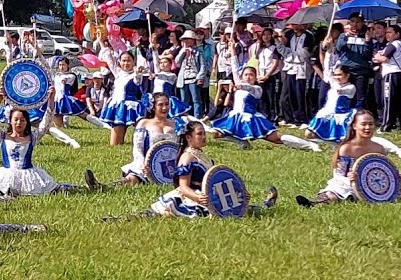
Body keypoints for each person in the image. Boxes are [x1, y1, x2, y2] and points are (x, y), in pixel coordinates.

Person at [112, 121, 276, 219]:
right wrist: (199, 198)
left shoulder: (202, 155)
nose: (204, 137)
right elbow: (183, 187)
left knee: (240, 209)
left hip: (210, 194)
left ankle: (266, 204)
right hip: (193, 198)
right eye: (199, 134)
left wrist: (239, 192)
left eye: (204, 133)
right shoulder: (187, 158)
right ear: (189, 138)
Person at [296, 111, 401, 207]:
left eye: (370, 124)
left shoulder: (378, 148)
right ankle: (312, 203)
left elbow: (381, 171)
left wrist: (395, 177)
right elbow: (339, 175)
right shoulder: (346, 148)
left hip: (373, 188)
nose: (367, 128)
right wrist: (350, 178)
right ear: (354, 126)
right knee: (332, 196)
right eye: (363, 124)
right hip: (346, 186)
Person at [0, 91, 96, 197]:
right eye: (16, 120)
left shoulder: (32, 137)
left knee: (56, 190)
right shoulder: (2, 136)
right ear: (10, 121)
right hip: (6, 175)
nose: (19, 123)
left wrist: (51, 99)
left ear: (27, 122)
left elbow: (46, 122)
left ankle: (87, 187)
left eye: (22, 120)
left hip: (28, 176)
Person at [305, 65, 401, 157]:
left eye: (340, 75)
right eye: (335, 75)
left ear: (347, 75)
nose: (337, 77)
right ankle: (334, 145)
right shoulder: (334, 84)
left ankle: (396, 149)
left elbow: (340, 90)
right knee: (309, 134)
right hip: (327, 115)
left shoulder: (350, 87)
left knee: (365, 138)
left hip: (342, 118)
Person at [212, 66, 320, 151]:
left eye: (251, 75)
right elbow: (235, 68)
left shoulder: (257, 89)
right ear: (242, 76)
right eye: (246, 75)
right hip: (236, 117)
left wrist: (241, 86)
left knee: (277, 138)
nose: (248, 77)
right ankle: (242, 142)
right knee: (217, 134)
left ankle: (310, 145)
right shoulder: (239, 85)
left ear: (255, 77)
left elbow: (248, 88)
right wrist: (233, 52)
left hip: (251, 119)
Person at [99, 92, 179, 187]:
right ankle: (103, 186)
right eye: (160, 105)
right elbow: (138, 148)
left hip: (172, 165)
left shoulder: (176, 124)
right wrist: (143, 164)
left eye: (167, 104)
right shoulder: (144, 123)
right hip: (147, 164)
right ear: (153, 107)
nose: (164, 108)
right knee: (132, 179)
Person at [98, 50, 145, 146]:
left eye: (129, 61)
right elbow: (109, 60)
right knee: (114, 144)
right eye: (123, 61)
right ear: (119, 62)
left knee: (140, 140)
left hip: (131, 107)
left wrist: (138, 72)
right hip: (118, 108)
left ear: (134, 62)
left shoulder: (135, 75)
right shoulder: (118, 73)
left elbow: (138, 79)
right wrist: (103, 44)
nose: (126, 63)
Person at [373, 24, 401, 132]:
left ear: (397, 34)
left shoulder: (393, 45)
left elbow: (384, 59)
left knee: (388, 100)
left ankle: (386, 125)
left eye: (390, 32)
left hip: (391, 74)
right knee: (400, 102)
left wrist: (377, 56)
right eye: (387, 32)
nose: (387, 35)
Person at [279, 24, 315, 126]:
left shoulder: (308, 35)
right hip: (290, 67)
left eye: (297, 24)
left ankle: (303, 118)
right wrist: (280, 40)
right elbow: (285, 50)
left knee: (300, 94)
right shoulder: (289, 34)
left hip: (301, 67)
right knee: (289, 94)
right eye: (293, 24)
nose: (295, 27)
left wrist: (293, 52)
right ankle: (292, 118)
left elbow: (306, 52)